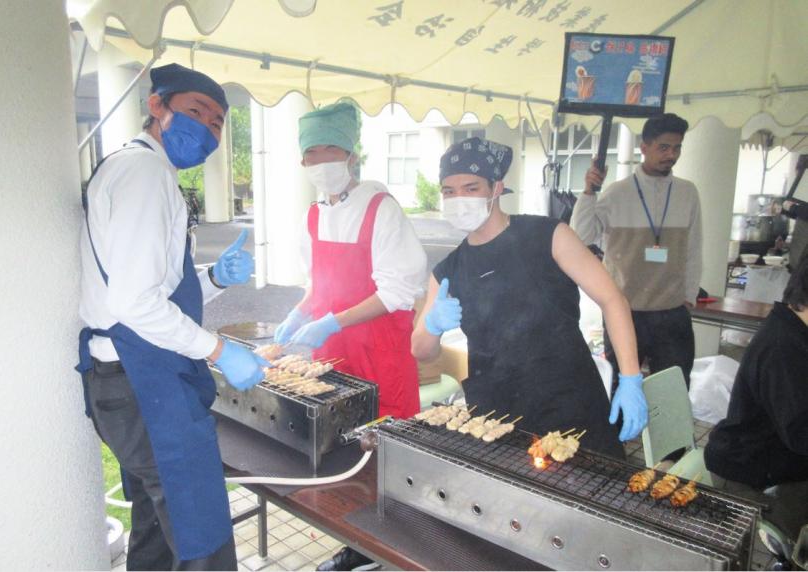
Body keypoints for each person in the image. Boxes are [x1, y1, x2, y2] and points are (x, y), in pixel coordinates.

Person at [77, 63, 269, 570]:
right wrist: (221, 350)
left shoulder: (139, 168)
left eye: (216, 123)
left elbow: (151, 288)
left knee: (157, 530)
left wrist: (216, 279)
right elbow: (135, 305)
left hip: (131, 376)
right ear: (156, 106)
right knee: (197, 527)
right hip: (144, 381)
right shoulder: (144, 174)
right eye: (195, 111)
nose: (206, 128)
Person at [411, 137, 647, 459]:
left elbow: (612, 300)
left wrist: (631, 377)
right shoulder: (448, 270)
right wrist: (433, 325)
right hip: (498, 412)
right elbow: (421, 350)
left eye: (470, 187)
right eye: (449, 191)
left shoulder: (548, 235)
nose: (458, 199)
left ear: (496, 188)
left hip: (569, 398)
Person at [273, 102, 426, 572]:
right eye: (311, 154)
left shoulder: (380, 209)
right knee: (341, 460)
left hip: (379, 355)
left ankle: (392, 550)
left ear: (352, 153)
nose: (321, 162)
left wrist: (336, 320)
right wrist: (298, 313)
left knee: (384, 459)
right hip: (334, 359)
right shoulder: (313, 217)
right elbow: (317, 283)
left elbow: (400, 290)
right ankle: (355, 543)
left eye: (330, 150)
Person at [571, 113, 701, 389]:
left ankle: (668, 434)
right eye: (663, 147)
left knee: (673, 391)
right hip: (625, 311)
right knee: (620, 385)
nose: (671, 155)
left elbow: (693, 248)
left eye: (677, 148)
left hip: (672, 312)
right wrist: (589, 191)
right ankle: (618, 434)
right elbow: (581, 236)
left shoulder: (687, 192)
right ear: (644, 147)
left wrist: (688, 298)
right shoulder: (618, 193)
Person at [704, 252, 808, 543]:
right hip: (747, 473)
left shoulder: (795, 330)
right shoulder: (783, 347)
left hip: (779, 456)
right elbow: (801, 435)